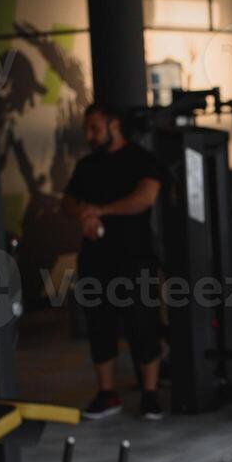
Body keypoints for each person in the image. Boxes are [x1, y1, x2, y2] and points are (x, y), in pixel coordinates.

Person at [62, 103, 166, 420]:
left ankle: (150, 395)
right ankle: (107, 395)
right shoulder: (86, 166)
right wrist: (83, 214)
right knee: (99, 325)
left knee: (143, 323)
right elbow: (68, 200)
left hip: (135, 257)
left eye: (94, 128)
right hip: (96, 258)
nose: (89, 135)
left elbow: (145, 198)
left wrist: (101, 211)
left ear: (114, 125)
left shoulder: (142, 159)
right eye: (87, 130)